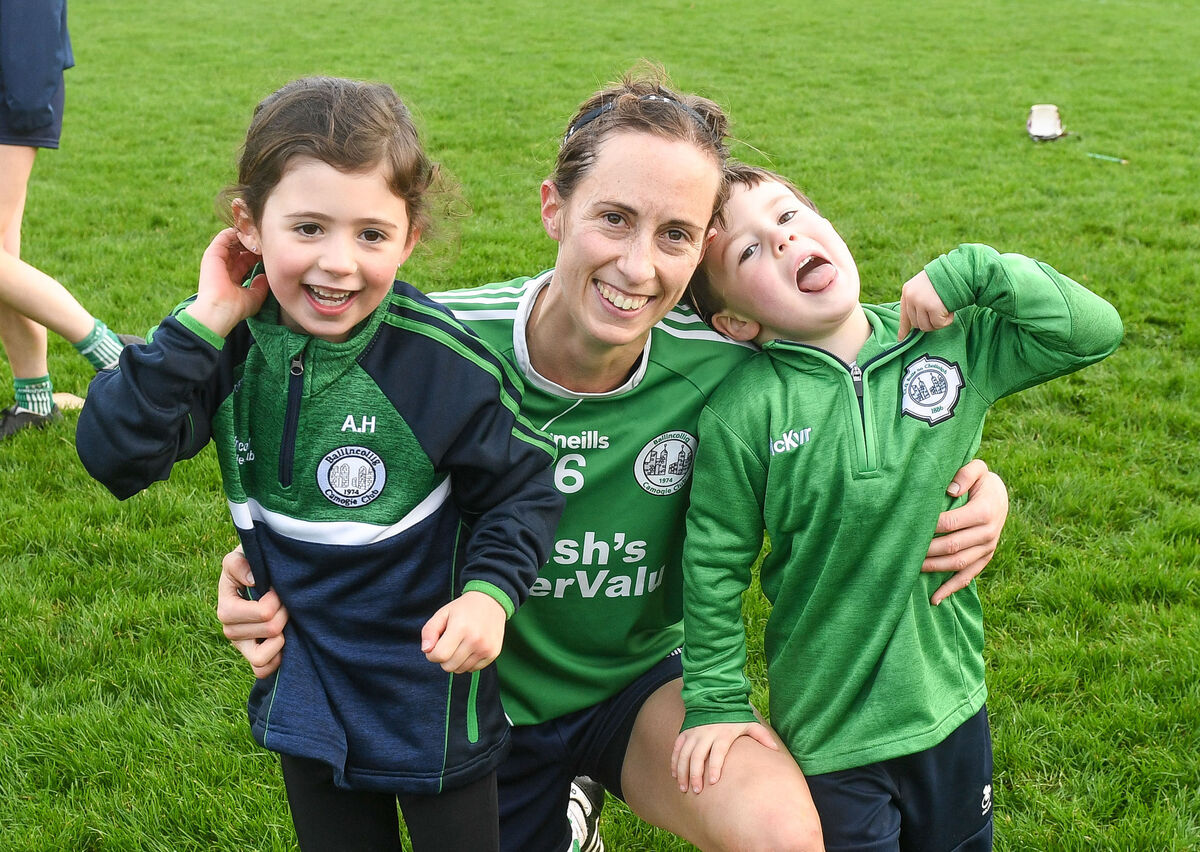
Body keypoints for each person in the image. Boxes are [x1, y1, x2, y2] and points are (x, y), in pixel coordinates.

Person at [217, 68, 1014, 852]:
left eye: (674, 235)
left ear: (701, 252)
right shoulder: (439, 350)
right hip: (470, 695)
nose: (638, 267)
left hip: (637, 688)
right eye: (614, 218)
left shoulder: (731, 364)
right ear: (554, 209)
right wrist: (254, 572)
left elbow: (869, 391)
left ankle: (584, 785)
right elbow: (308, 461)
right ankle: (571, 816)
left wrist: (978, 488)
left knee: (782, 834)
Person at [75, 77, 564, 852]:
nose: (338, 264)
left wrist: (488, 596)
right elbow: (114, 456)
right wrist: (206, 317)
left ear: (409, 239)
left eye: (372, 234)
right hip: (302, 685)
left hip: (430, 687)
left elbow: (524, 490)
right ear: (249, 224)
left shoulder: (440, 365)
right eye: (308, 228)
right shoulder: (222, 345)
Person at [672, 164, 1124, 850]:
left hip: (949, 704)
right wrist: (714, 700)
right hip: (829, 729)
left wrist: (978, 270)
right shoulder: (745, 413)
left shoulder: (948, 340)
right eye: (750, 250)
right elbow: (711, 566)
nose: (784, 239)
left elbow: (1093, 331)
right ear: (738, 321)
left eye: (788, 216)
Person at [0, 0, 133, 439]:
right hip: (16, 95)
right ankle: (35, 402)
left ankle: (117, 357)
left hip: (14, 101)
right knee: (3, 259)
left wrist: (25, 109)